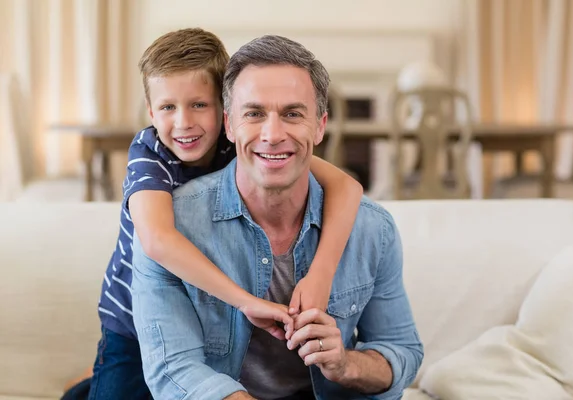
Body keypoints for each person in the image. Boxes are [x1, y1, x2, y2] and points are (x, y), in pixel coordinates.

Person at [61, 28, 363, 400]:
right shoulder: (150, 153)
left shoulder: (242, 142)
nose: (184, 122)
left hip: (203, 319)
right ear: (151, 111)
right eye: (168, 107)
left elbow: (348, 188)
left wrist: (321, 275)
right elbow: (157, 241)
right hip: (135, 326)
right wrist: (244, 300)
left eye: (198, 104)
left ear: (225, 109)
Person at [132, 34, 423, 400]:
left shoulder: (372, 230)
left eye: (292, 114)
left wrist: (346, 364)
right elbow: (174, 370)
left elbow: (403, 352)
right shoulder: (169, 223)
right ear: (229, 124)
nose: (272, 135)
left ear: (320, 126)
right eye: (254, 114)